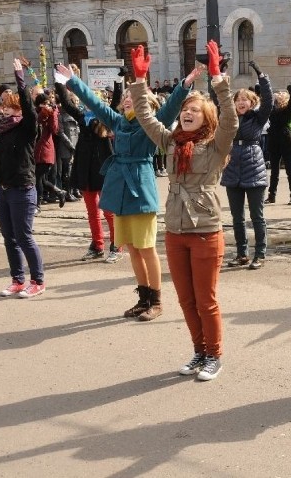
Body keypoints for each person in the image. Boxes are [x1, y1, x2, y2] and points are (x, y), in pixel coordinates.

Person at [56, 54, 200, 321]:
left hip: (140, 187)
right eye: (125, 98)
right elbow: (95, 104)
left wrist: (185, 85)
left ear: (146, 102)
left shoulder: (152, 123)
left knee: (146, 248)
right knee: (132, 248)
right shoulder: (119, 122)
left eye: (132, 97)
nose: (126, 99)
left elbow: (170, 111)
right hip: (119, 188)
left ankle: (156, 300)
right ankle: (143, 297)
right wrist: (73, 82)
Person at [133, 40, 238, 380]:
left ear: (205, 116)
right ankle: (198, 352)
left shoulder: (215, 143)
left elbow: (231, 122)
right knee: (186, 300)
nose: (187, 113)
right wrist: (139, 83)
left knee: (206, 300)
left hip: (206, 231)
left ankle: (214, 356)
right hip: (176, 232)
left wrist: (218, 80)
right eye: (184, 110)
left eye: (194, 110)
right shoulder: (171, 141)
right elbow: (147, 119)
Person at [0, 58, 46, 298]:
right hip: (2, 188)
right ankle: (17, 279)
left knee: (24, 236)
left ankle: (38, 281)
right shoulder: (2, 126)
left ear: (19, 110)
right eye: (4, 106)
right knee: (9, 236)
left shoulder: (27, 127)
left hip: (22, 188)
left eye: (9, 107)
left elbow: (29, 106)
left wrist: (20, 78)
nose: (4, 110)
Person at [54, 67, 120, 263]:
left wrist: (117, 80)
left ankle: (116, 245)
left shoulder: (107, 117)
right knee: (92, 211)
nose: (88, 104)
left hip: (103, 168)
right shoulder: (82, 117)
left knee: (108, 210)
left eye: (93, 101)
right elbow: (66, 102)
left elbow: (115, 101)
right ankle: (97, 245)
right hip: (85, 167)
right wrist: (59, 81)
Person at [221, 61, 274, 269]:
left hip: (254, 169)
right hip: (233, 167)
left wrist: (262, 76)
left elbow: (268, 101)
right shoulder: (229, 119)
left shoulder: (258, 119)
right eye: (238, 99)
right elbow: (221, 99)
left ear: (252, 103)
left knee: (257, 215)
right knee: (237, 217)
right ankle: (242, 253)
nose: (241, 102)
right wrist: (221, 73)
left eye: (245, 99)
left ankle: (260, 253)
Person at [265, 66, 291, 206]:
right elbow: (266, 98)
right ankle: (271, 195)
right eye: (277, 94)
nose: (278, 95)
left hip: (286, 140)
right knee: (274, 171)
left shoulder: (287, 110)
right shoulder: (272, 109)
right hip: (274, 140)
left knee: (290, 170)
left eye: (281, 94)